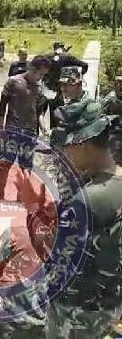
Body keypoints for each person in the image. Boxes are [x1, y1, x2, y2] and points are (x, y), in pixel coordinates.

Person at [46, 99, 121, 338]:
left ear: (84, 144)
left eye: (68, 147)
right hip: (110, 306)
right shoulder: (115, 183)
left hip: (77, 315)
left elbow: (57, 267)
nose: (65, 153)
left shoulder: (85, 201)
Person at [0, 55, 51, 200]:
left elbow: (39, 111)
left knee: (26, 166)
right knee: (4, 163)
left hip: (29, 133)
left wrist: (43, 127)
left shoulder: (39, 88)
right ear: (32, 68)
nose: (41, 77)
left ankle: (21, 196)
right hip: (11, 131)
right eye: (40, 74)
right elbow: (2, 106)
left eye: (44, 75)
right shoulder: (13, 82)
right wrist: (0, 128)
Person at [44, 42, 88, 128]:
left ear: (54, 48)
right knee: (67, 110)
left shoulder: (47, 57)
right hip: (66, 88)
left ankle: (54, 130)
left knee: (53, 110)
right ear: (63, 48)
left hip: (50, 89)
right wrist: (77, 76)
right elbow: (84, 66)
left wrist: (45, 77)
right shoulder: (68, 57)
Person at [101, 75, 122, 166]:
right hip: (114, 131)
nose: (120, 85)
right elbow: (100, 110)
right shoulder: (111, 97)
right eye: (119, 83)